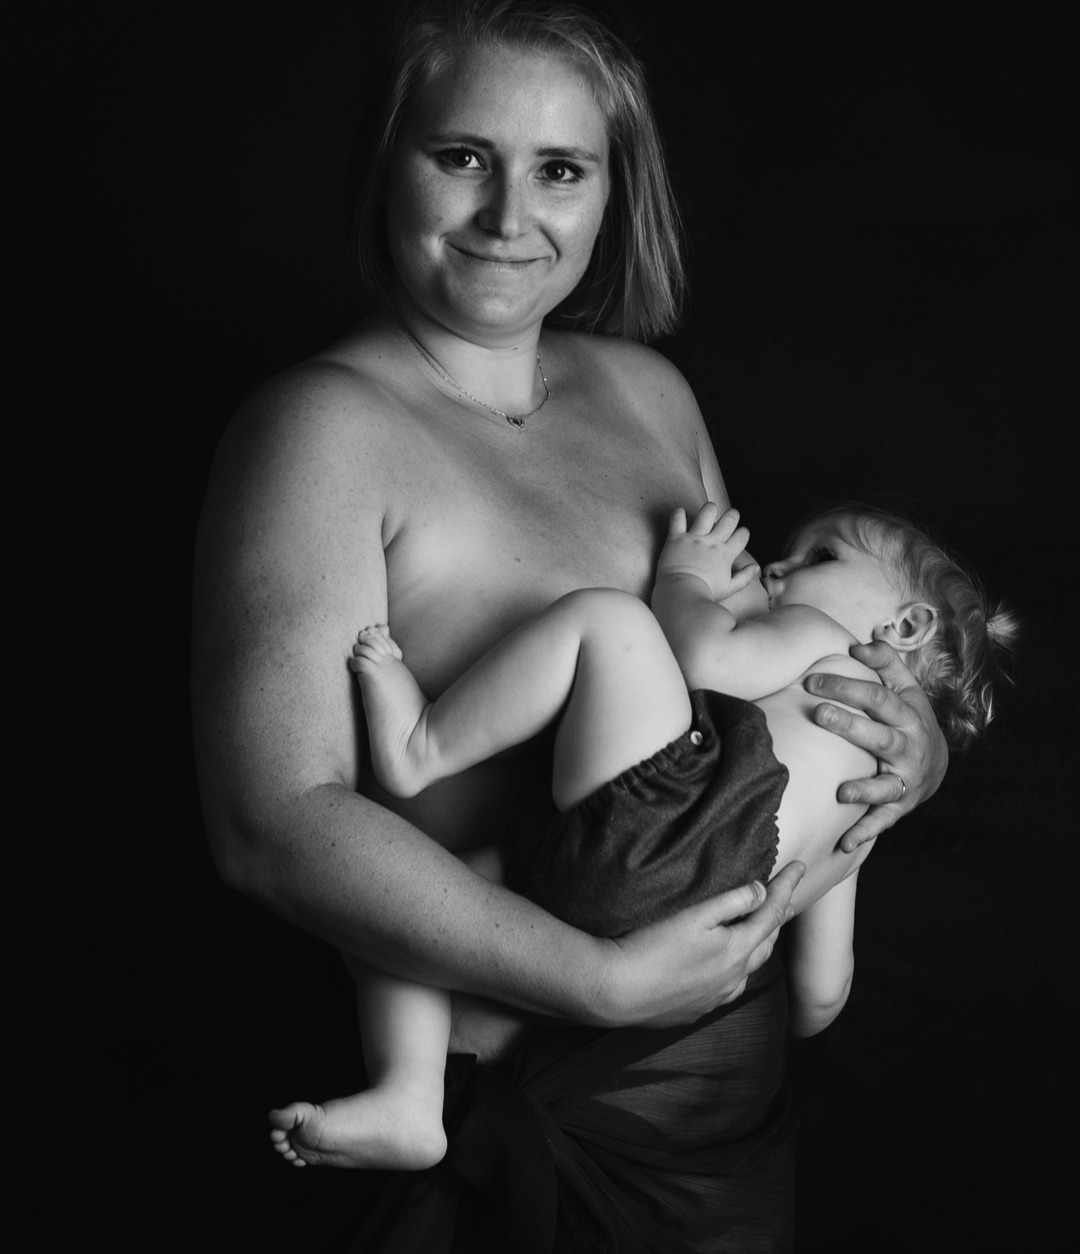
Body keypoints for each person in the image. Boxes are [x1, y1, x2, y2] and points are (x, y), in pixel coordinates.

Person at [192, 0, 949, 1250]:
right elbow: (273, 825)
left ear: (614, 191)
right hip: (517, 1112)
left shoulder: (652, 396)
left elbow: (739, 693)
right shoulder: (317, 429)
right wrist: (595, 981)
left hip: (721, 1108)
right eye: (460, 156)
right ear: (386, 162)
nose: (507, 216)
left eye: (559, 169)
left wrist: (902, 749)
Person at [268, 501, 1015, 1173]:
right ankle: (408, 1107)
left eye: (821, 556)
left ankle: (422, 744)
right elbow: (821, 996)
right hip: (695, 935)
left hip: (669, 826)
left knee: (610, 626)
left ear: (903, 628)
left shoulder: (833, 644)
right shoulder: (867, 817)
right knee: (417, 904)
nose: (779, 567)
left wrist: (687, 580)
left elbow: (705, 660)